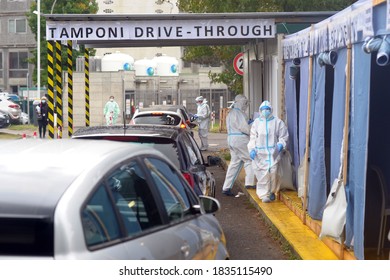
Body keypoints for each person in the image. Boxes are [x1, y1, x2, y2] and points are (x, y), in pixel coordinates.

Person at [248, 101, 289, 203]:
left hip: (272, 153)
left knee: (273, 172)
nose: (265, 111)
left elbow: (283, 136)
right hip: (260, 154)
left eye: (267, 109)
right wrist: (252, 149)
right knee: (262, 175)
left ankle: (271, 192)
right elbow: (253, 137)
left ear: (271, 110)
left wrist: (281, 144)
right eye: (263, 109)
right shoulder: (256, 123)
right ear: (260, 110)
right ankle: (263, 194)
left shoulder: (277, 122)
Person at [222, 94, 255, 196]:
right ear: (241, 102)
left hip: (231, 139)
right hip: (240, 139)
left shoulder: (230, 113)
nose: (246, 105)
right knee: (249, 159)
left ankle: (226, 187)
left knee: (235, 163)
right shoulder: (239, 113)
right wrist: (252, 125)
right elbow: (245, 129)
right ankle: (250, 183)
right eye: (245, 103)